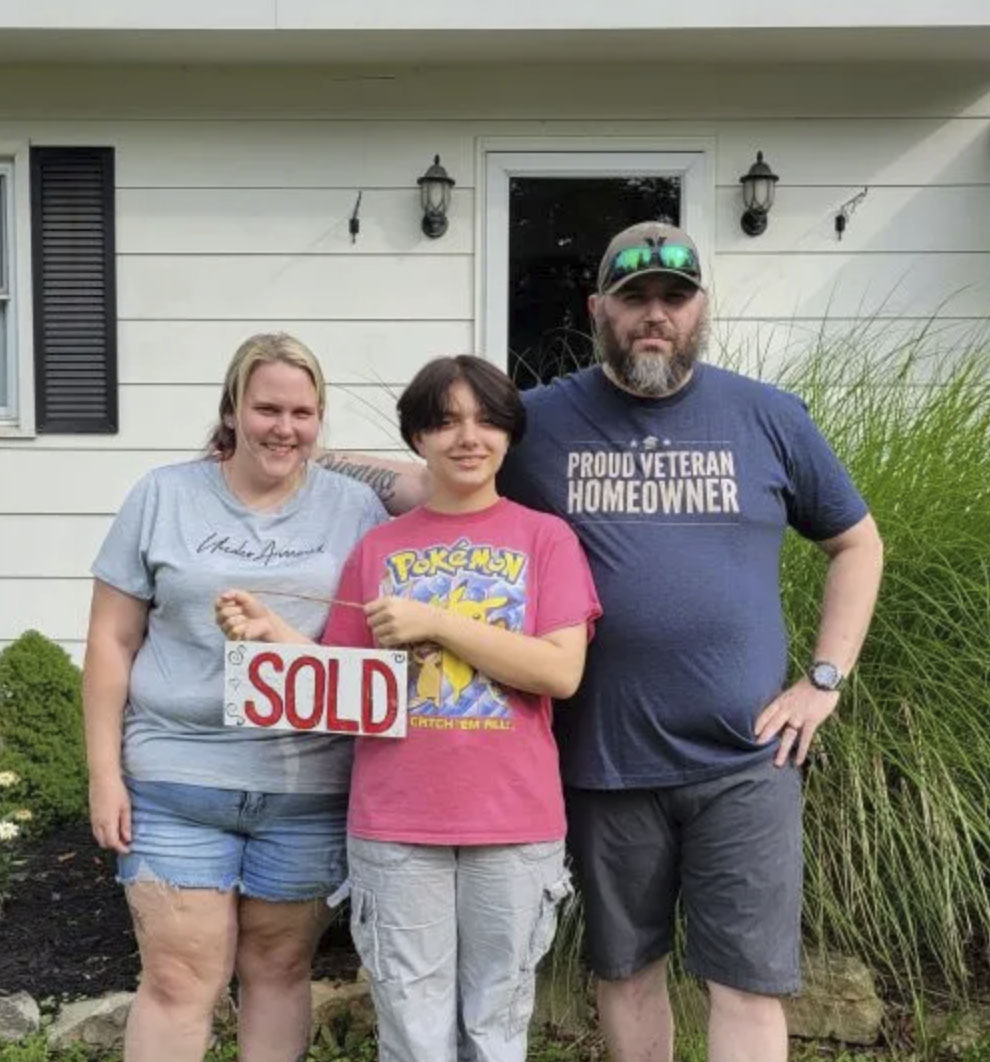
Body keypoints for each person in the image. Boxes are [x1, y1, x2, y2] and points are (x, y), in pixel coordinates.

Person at [317, 223, 885, 1062]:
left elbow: (857, 543)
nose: (654, 315)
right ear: (598, 310)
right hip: (605, 761)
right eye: (634, 298)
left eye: (674, 297)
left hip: (746, 759)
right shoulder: (542, 421)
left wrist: (825, 679)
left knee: (748, 982)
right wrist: (301, 455)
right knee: (625, 972)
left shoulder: (768, 417)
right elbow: (441, 479)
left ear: (701, 309)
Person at [217, 355, 602, 1062]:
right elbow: (345, 688)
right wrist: (274, 636)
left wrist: (438, 623)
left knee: (496, 1025)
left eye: (487, 420)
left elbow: (560, 670)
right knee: (412, 1031)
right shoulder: (379, 548)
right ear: (417, 436)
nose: (468, 436)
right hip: (396, 822)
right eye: (445, 420)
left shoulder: (545, 539)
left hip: (513, 821)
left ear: (510, 436)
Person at [82, 332, 387, 1062]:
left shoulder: (355, 510)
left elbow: (370, 650)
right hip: (177, 778)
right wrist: (102, 775)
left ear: (321, 420)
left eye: (303, 412)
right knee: (179, 978)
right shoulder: (163, 496)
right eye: (267, 408)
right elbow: (110, 643)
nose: (285, 427)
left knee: (279, 971)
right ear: (232, 409)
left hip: (307, 783)